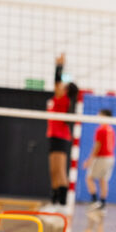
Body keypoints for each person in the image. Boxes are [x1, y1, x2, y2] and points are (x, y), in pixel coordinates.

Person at [43, 54, 79, 213]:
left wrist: (59, 67)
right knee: (53, 171)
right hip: (53, 136)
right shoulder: (58, 99)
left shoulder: (63, 99)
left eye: (63, 85)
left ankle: (62, 205)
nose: (60, 86)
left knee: (60, 171)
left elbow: (56, 82)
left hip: (60, 137)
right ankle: (54, 202)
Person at [83, 109, 116, 212]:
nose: (98, 117)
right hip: (110, 158)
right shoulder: (111, 130)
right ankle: (102, 203)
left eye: (99, 115)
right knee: (103, 180)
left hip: (101, 157)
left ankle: (94, 201)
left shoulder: (101, 129)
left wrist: (89, 160)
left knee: (89, 178)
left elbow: (97, 146)